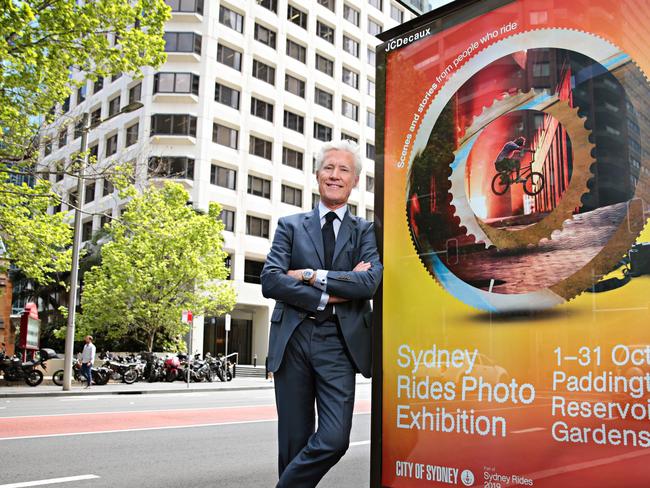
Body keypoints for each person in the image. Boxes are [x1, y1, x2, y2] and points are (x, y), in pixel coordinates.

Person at [261, 140, 383, 488]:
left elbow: (369, 283)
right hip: (293, 340)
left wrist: (310, 275)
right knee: (293, 442)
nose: (335, 175)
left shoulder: (365, 231)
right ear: (317, 175)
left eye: (343, 169)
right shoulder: (291, 225)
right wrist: (329, 297)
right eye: (329, 168)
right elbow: (270, 281)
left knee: (333, 439)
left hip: (339, 344)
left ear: (355, 180)